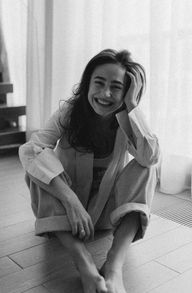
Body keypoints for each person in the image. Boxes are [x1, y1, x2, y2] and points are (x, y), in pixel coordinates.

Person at [19, 49, 160, 293]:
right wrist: (70, 200)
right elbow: (32, 149)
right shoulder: (70, 112)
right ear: (87, 84)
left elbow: (150, 156)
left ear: (127, 92)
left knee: (147, 167)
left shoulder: (128, 118)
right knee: (37, 166)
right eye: (99, 83)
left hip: (107, 212)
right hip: (67, 212)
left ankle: (114, 265)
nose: (105, 94)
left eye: (116, 87)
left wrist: (132, 107)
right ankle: (84, 263)